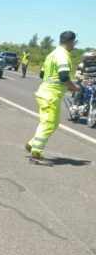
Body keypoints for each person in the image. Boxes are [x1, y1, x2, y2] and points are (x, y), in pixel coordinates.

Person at [25, 31, 78, 166]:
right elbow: (64, 77)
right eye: (74, 42)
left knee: (53, 123)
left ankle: (32, 144)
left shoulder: (52, 54)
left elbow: (42, 74)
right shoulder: (63, 56)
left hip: (47, 93)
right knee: (48, 123)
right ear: (71, 42)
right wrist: (74, 87)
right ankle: (36, 155)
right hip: (50, 95)